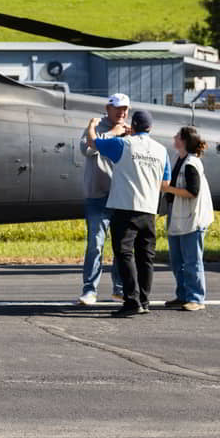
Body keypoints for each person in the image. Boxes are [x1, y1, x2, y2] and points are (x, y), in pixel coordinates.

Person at [87, 109, 171, 318]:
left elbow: (93, 143)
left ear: (132, 126)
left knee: (124, 254)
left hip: (126, 207)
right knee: (146, 257)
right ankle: (144, 300)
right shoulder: (161, 150)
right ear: (150, 127)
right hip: (149, 209)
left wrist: (91, 125)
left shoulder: (124, 144)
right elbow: (165, 183)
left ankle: (131, 300)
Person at [76, 93, 129, 305]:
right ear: (107, 108)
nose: (122, 112)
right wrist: (113, 134)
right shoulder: (95, 127)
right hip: (97, 196)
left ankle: (119, 289)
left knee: (121, 246)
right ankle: (89, 290)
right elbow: (86, 149)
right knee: (95, 244)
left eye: (125, 108)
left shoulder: (129, 131)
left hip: (121, 195)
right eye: (117, 108)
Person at [161, 126, 214, 311]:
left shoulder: (192, 163)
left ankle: (196, 298)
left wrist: (167, 189)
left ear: (183, 140)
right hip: (177, 215)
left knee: (192, 260)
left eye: (177, 136)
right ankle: (182, 294)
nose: (174, 137)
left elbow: (193, 191)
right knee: (177, 260)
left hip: (192, 218)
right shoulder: (178, 159)